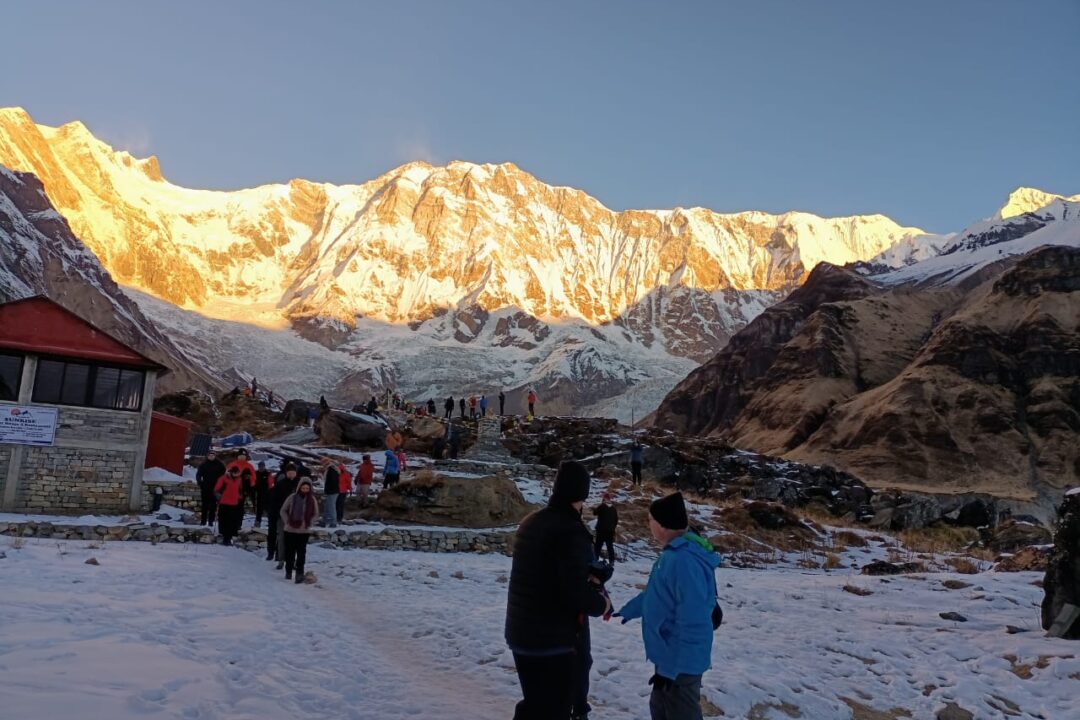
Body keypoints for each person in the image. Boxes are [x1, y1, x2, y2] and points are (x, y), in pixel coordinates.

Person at [505, 460, 611, 720]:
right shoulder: (571, 531)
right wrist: (602, 603)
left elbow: (548, 574)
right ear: (583, 494)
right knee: (555, 710)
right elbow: (574, 592)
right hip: (553, 640)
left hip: (522, 634)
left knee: (534, 705)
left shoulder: (531, 522)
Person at [615, 492, 720, 720]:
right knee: (661, 709)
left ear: (663, 525)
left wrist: (672, 670)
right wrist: (629, 609)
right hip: (669, 657)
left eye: (650, 520)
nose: (648, 525)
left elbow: (693, 620)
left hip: (680, 663)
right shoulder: (674, 554)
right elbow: (657, 595)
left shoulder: (683, 561)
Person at [280, 477, 318, 583]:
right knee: (290, 553)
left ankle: (299, 574)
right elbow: (283, 510)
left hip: (304, 531)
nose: (305, 490)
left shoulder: (312, 500)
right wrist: (287, 521)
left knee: (301, 553)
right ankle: (288, 571)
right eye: (303, 488)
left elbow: (316, 514)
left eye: (307, 488)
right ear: (299, 487)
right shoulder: (292, 497)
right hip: (290, 530)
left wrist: (310, 522)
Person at [267, 463, 299, 564]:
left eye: (293, 473)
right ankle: (274, 554)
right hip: (279, 512)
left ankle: (288, 558)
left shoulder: (299, 484)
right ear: (286, 473)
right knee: (278, 535)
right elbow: (274, 499)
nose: (291, 475)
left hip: (294, 514)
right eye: (289, 473)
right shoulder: (280, 484)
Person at [214, 466, 245, 546]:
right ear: (232, 472)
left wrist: (240, 496)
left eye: (238, 474)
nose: (237, 475)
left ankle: (229, 538)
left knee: (232, 522)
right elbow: (217, 489)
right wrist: (218, 495)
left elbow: (239, 489)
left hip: (234, 503)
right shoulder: (223, 478)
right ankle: (225, 538)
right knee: (224, 521)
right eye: (236, 473)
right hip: (224, 502)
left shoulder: (239, 479)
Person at [196, 451, 225, 526]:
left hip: (216, 488)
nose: (211, 456)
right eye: (210, 455)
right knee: (204, 505)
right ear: (207, 456)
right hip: (205, 487)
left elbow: (223, 476)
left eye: (213, 455)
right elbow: (198, 474)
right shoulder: (203, 464)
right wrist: (200, 482)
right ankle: (203, 521)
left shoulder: (220, 465)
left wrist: (221, 486)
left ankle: (211, 521)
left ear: (215, 456)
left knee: (213, 506)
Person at [593, 492, 619, 563]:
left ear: (603, 499)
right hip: (610, 531)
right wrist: (613, 528)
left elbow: (595, 513)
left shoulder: (602, 506)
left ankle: (595, 559)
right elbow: (616, 520)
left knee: (598, 546)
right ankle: (611, 561)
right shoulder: (613, 509)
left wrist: (595, 507)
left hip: (601, 530)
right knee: (610, 547)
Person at [321, 458, 340, 528]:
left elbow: (332, 482)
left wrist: (328, 490)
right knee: (327, 506)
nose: (322, 465)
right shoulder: (331, 469)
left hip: (332, 491)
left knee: (331, 507)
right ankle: (325, 521)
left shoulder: (331, 470)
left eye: (323, 463)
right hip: (332, 491)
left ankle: (333, 522)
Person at [254, 461, 273, 527]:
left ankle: (271, 522)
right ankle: (258, 522)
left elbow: (270, 483)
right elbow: (253, 482)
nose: (261, 468)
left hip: (267, 494)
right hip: (259, 493)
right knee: (259, 508)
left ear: (264, 466)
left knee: (268, 509)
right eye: (260, 466)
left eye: (262, 466)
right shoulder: (256, 473)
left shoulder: (268, 473)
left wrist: (269, 491)